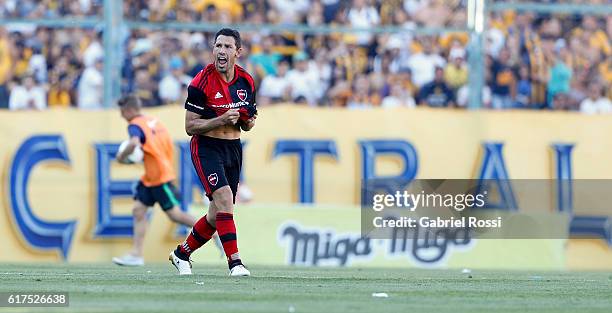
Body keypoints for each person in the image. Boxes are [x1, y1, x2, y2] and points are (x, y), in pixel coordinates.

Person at [169, 28, 257, 277]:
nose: (221, 51)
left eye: (227, 47)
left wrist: (248, 122)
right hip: (206, 146)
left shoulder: (246, 81)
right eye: (218, 46)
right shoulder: (200, 82)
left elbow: (247, 121)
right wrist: (219, 120)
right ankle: (235, 263)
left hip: (233, 148)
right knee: (225, 199)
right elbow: (189, 126)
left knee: (216, 213)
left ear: (237, 52)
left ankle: (181, 254)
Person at [112, 95, 198, 266]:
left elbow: (133, 143)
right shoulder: (153, 121)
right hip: (152, 175)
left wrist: (121, 157)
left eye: (122, 112)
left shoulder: (134, 124)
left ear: (129, 110)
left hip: (159, 176)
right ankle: (136, 254)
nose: (122, 116)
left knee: (175, 215)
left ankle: (212, 230)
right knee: (138, 210)